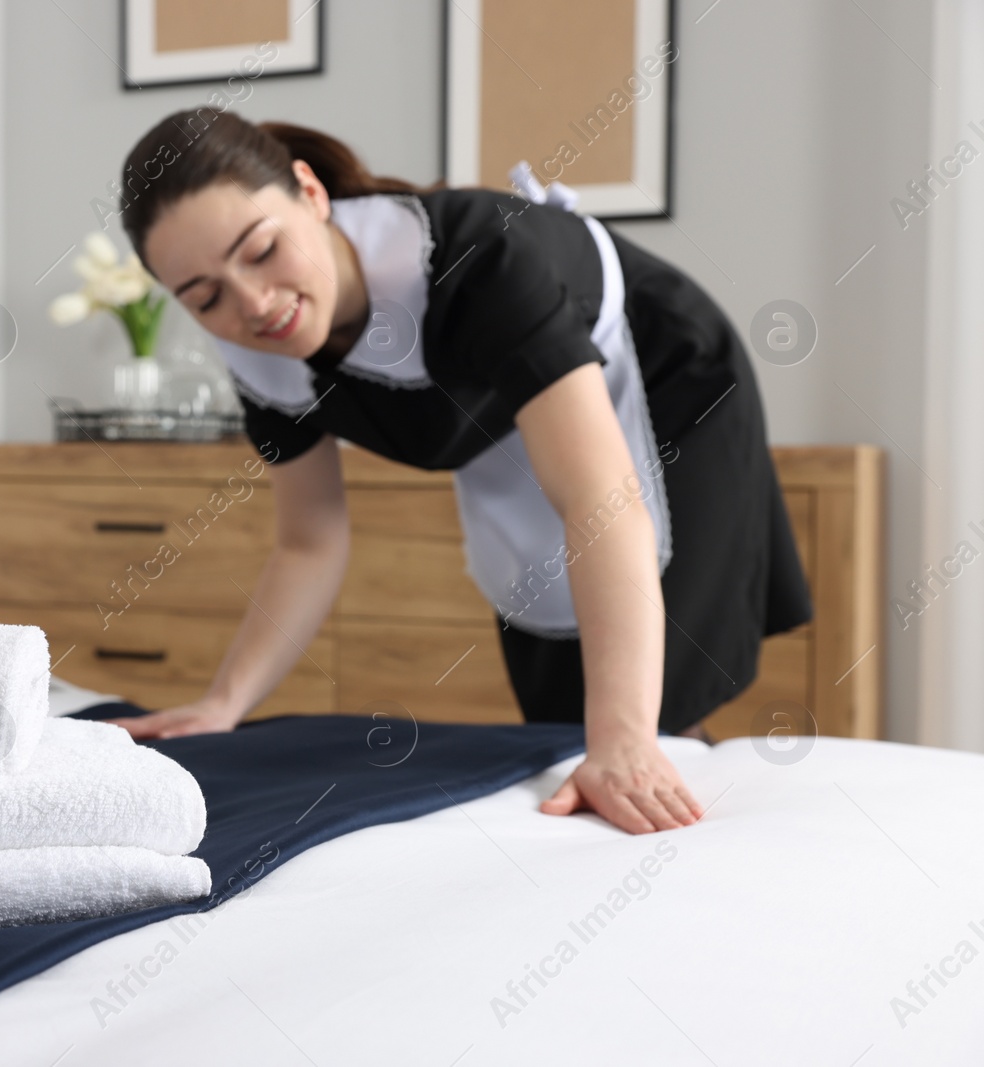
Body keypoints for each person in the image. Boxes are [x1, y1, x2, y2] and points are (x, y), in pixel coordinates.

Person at [100, 110, 812, 836]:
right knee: (564, 704)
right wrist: (225, 703)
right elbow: (310, 539)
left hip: (665, 386)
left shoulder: (479, 258)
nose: (253, 303)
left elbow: (601, 499)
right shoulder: (260, 352)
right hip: (506, 429)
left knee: (652, 708)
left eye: (262, 250)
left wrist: (624, 741)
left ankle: (684, 810)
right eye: (205, 297)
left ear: (310, 193)